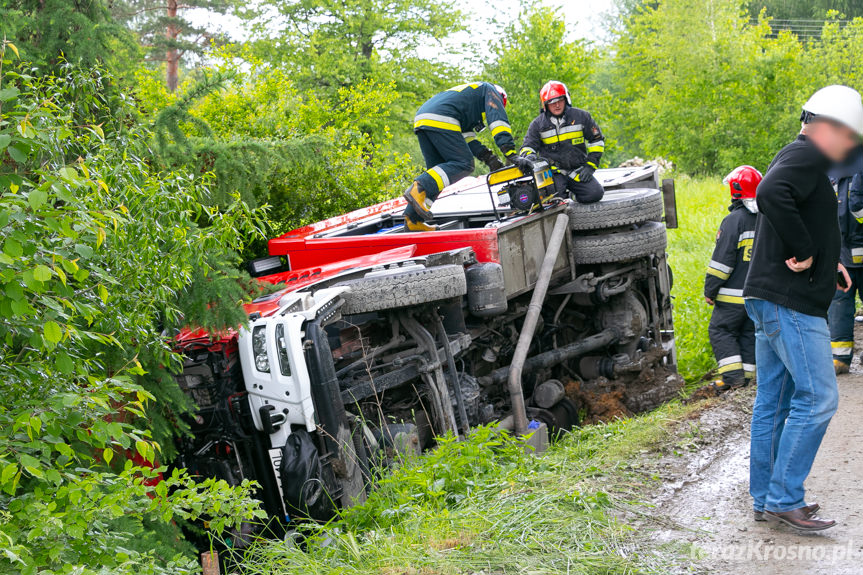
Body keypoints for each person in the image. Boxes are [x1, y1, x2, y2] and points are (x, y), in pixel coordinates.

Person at [743, 85, 863, 532]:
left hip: (769, 296)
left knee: (774, 403)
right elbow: (771, 194)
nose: (849, 149)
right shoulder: (808, 155)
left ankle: (766, 497)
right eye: (849, 138)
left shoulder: (795, 155)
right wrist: (805, 250)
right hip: (789, 304)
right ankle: (784, 498)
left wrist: (825, 256)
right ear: (828, 127)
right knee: (819, 398)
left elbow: (791, 207)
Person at [403, 82, 517, 232]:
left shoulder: (468, 105)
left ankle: (413, 220)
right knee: (464, 164)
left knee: (437, 174)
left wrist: (489, 158)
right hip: (442, 116)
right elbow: (498, 120)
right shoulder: (490, 90)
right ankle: (419, 187)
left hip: (424, 118)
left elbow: (467, 139)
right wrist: (510, 152)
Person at [704, 165, 762, 391]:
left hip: (731, 297)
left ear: (736, 190)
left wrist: (710, 290)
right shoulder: (766, 219)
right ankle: (747, 379)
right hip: (757, 294)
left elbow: (722, 263)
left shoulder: (733, 221)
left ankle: (733, 379)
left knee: (720, 331)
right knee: (749, 332)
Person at [516, 80, 605, 204]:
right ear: (545, 104)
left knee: (595, 194)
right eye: (552, 102)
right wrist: (528, 156)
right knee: (552, 203)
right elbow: (527, 146)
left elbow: (597, 141)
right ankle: (564, 196)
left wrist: (590, 166)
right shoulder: (537, 124)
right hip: (553, 174)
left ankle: (574, 196)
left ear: (566, 99)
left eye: (560, 101)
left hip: (577, 170)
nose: (556, 105)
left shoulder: (582, 117)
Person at [827, 145, 863, 374]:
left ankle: (839, 360)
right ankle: (839, 358)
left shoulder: (833, 170)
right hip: (843, 252)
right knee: (839, 302)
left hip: (841, 251)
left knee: (839, 303)